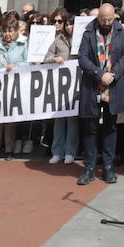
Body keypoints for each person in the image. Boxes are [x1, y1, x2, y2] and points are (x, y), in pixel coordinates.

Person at [77, 3, 124, 185]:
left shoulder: (120, 31)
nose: (107, 22)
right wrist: (100, 74)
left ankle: (108, 167)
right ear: (98, 18)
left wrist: (113, 74)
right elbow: (82, 57)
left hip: (112, 87)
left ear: (114, 16)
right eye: (103, 19)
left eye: (110, 19)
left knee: (110, 128)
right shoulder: (89, 32)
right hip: (93, 85)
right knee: (90, 128)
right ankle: (89, 167)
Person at [0, 18, 28, 160]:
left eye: (11, 31)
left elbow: (28, 62)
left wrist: (16, 66)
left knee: (10, 118)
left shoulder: (23, 44)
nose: (7, 34)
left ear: (16, 31)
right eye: (5, 31)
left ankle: (9, 149)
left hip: (14, 84)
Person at [45, 9, 79, 165]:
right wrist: (54, 59)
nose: (69, 27)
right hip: (60, 85)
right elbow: (47, 57)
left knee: (72, 121)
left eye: (72, 24)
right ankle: (57, 151)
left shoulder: (81, 40)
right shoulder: (58, 40)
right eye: (67, 24)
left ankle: (70, 152)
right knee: (59, 120)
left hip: (75, 85)